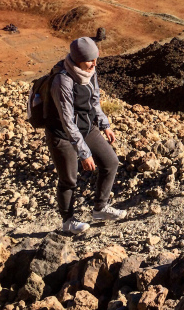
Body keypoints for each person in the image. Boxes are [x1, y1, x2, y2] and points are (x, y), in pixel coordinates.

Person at [45, 36, 127, 234]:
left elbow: (95, 99)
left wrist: (105, 124)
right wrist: (83, 152)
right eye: (90, 60)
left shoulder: (90, 72)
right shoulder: (62, 80)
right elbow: (67, 121)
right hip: (62, 134)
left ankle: (100, 208)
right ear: (77, 59)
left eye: (95, 59)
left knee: (110, 162)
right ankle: (68, 221)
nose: (94, 64)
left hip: (86, 126)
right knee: (69, 179)